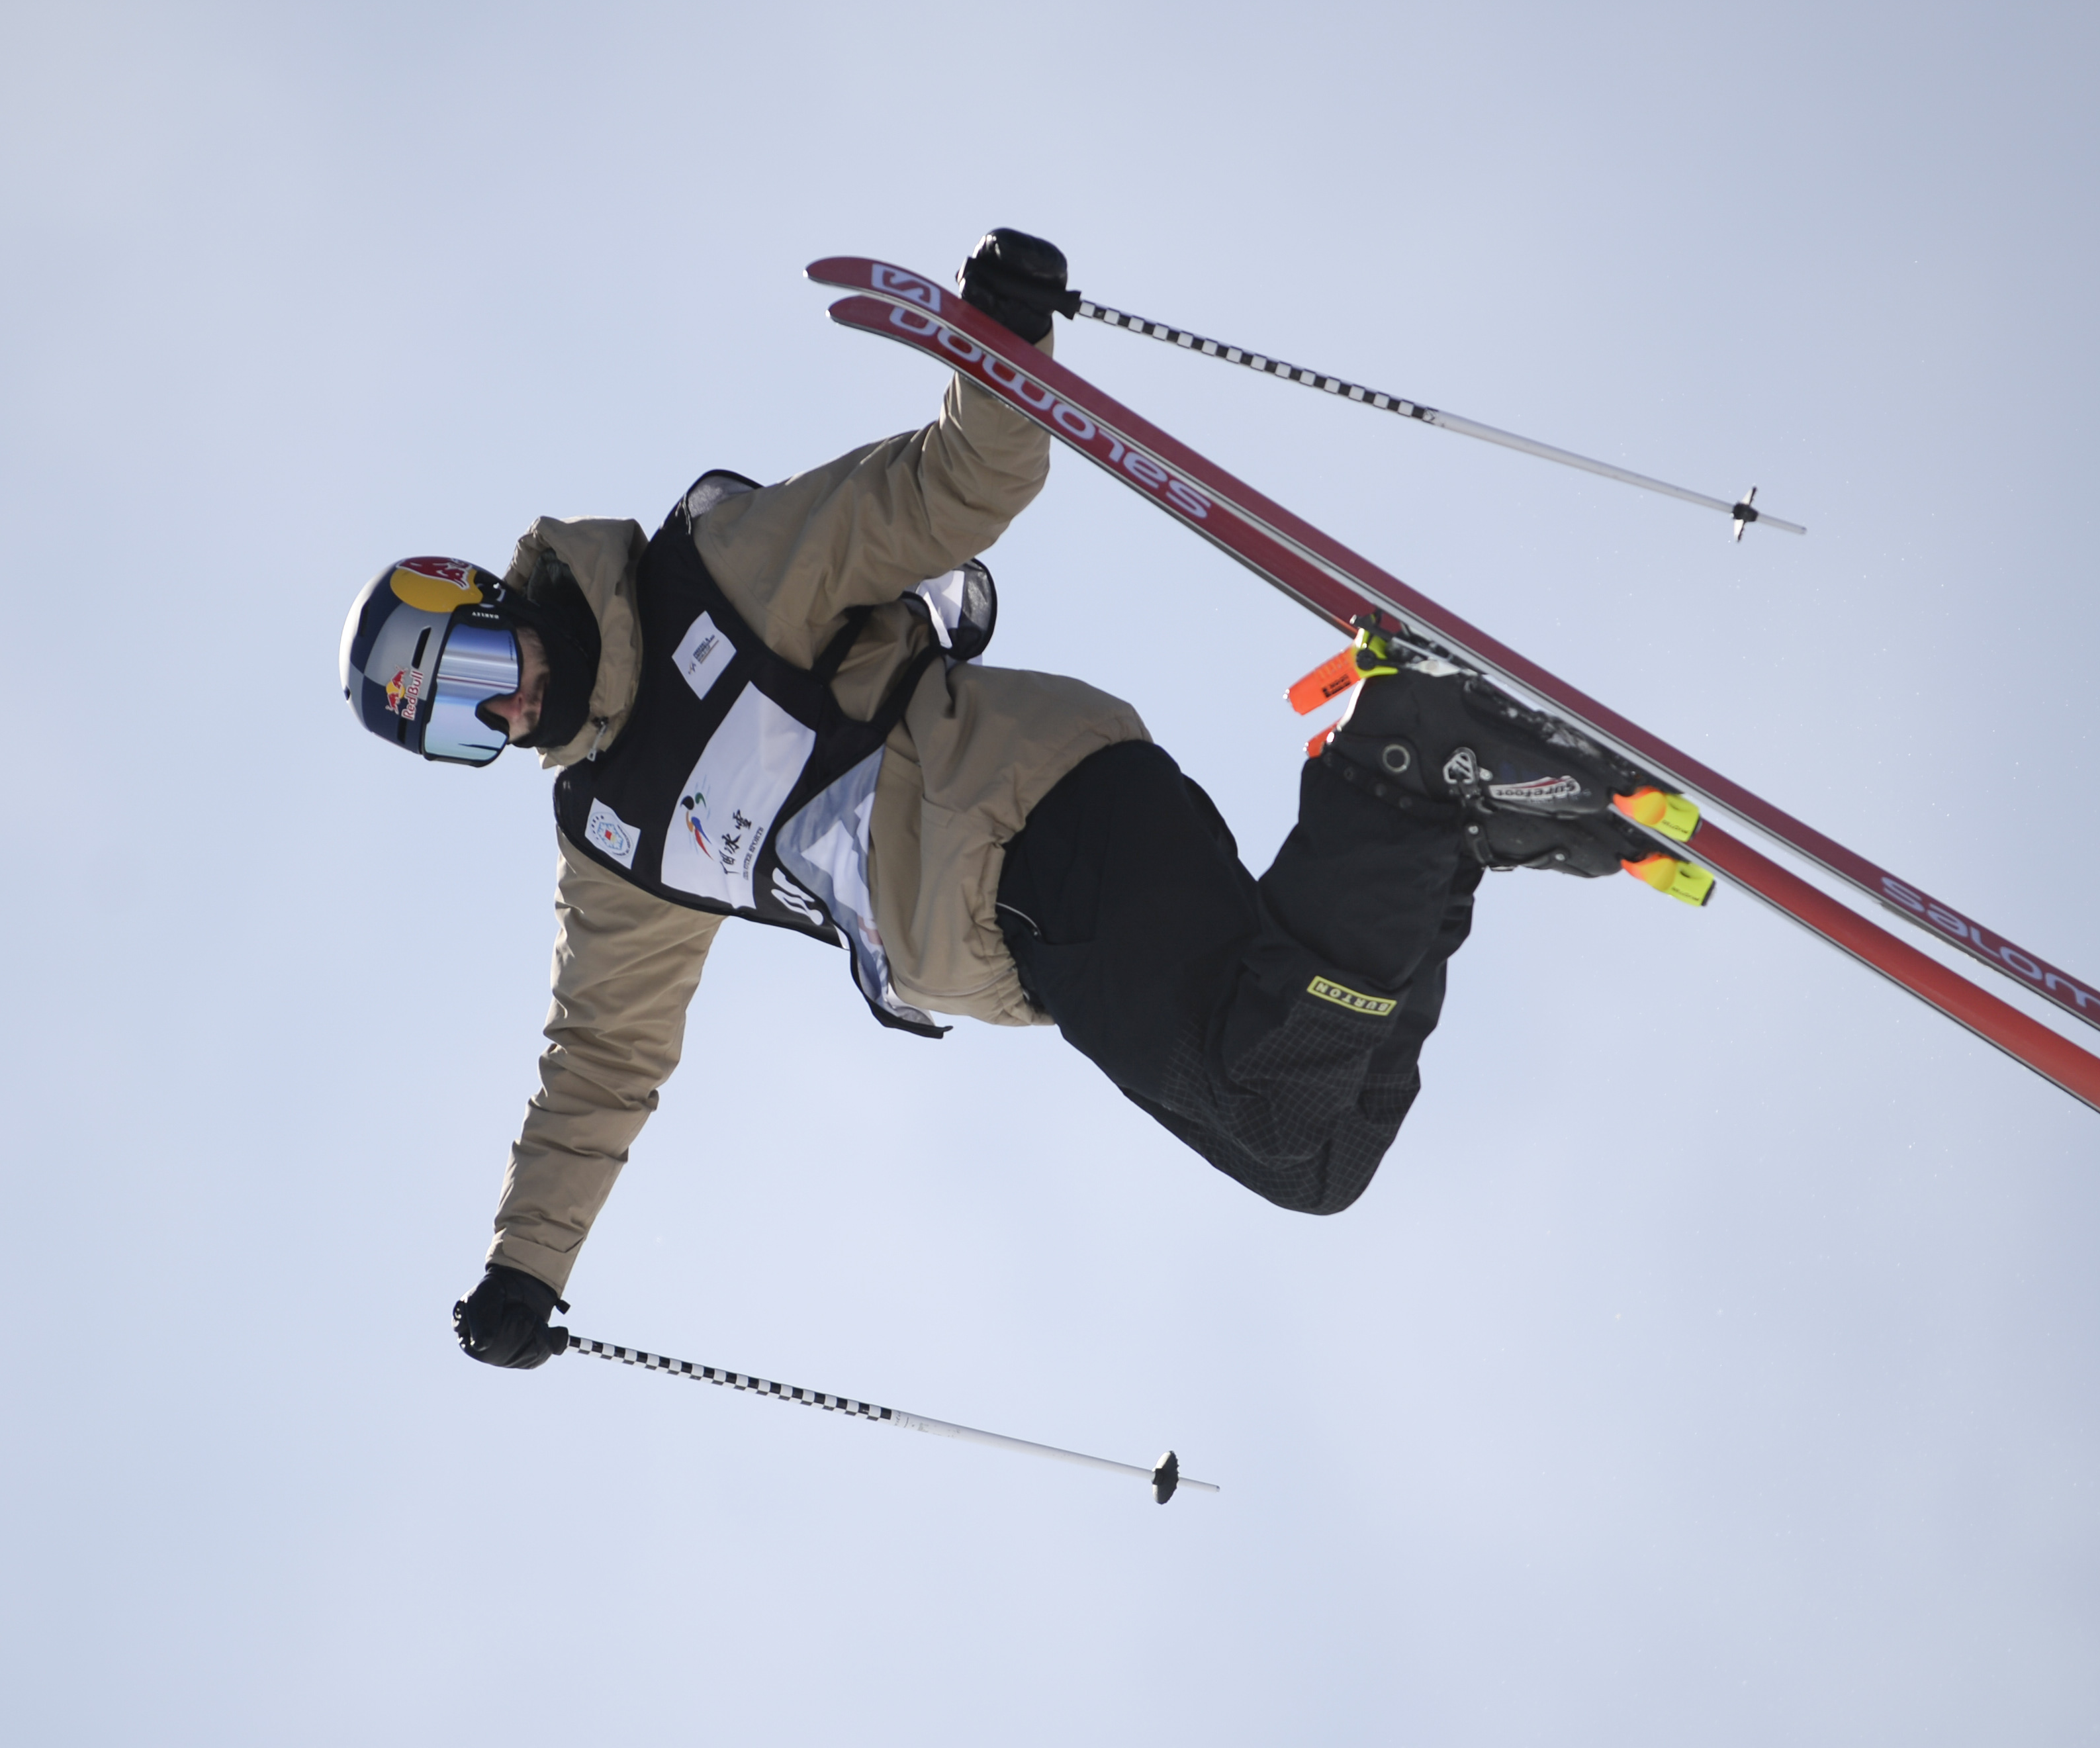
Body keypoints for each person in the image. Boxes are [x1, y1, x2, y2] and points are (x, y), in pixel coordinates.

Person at [336, 231, 1656, 1369]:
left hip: (1029, 824)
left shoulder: (709, 581)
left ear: (494, 598)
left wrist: (996, 349)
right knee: (1320, 1152)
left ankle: (1404, 776)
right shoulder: (611, 847)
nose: (503, 714)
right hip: (1022, 931)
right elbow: (599, 1067)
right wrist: (528, 1270)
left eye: (477, 669)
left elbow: (939, 490)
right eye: (462, 728)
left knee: (1276, 1102)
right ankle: (1447, 814)